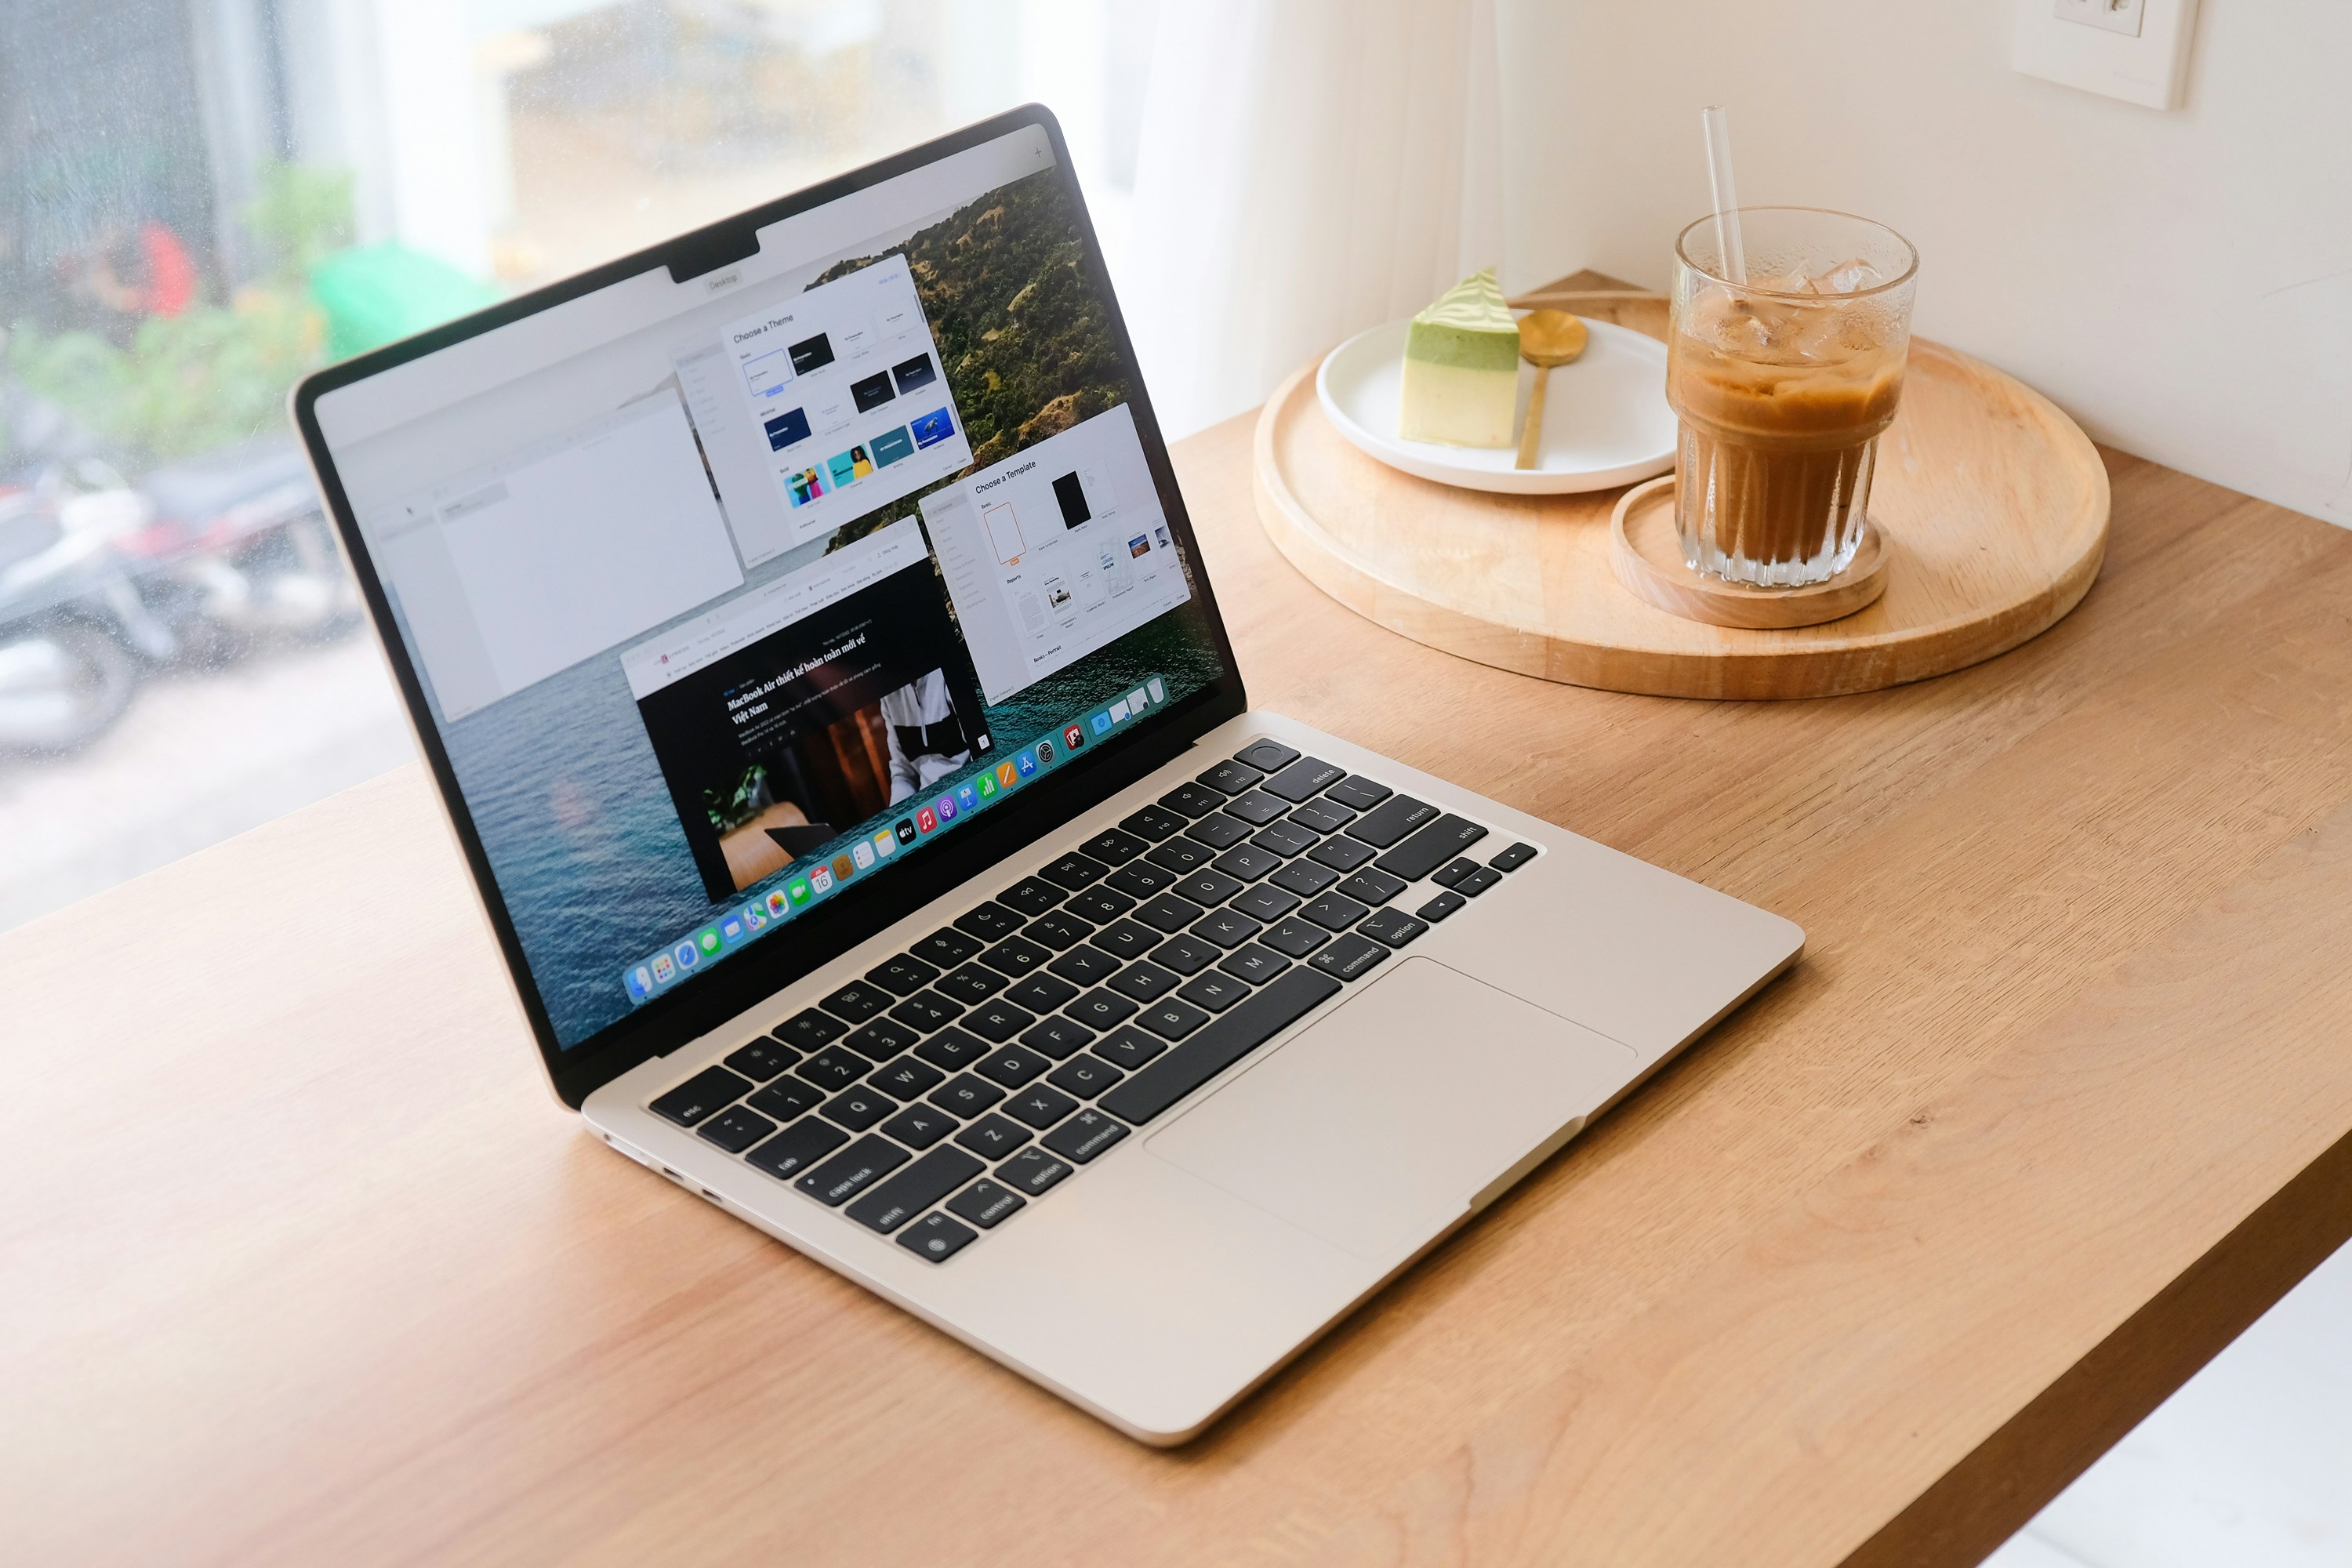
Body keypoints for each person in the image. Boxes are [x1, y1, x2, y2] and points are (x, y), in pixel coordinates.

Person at [879, 669, 972, 800]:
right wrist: (899, 815)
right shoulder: (888, 696)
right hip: (928, 802)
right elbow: (904, 773)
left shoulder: (943, 672)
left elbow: (978, 747)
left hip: (968, 787)